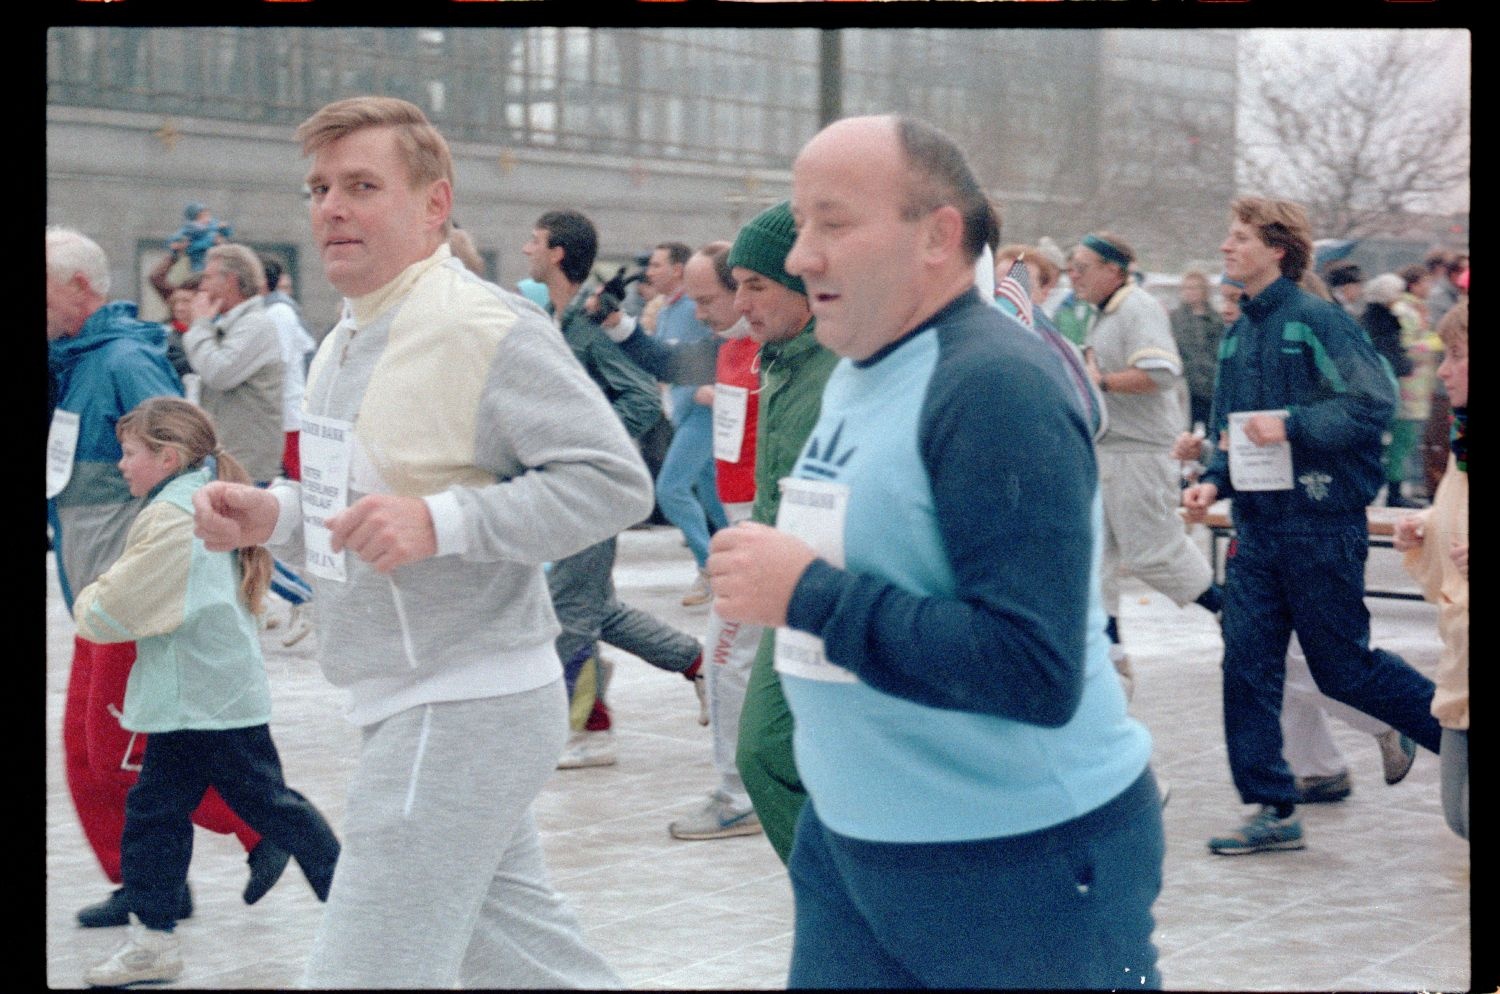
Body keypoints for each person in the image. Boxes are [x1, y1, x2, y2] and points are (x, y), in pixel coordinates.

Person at [191, 95, 636, 988]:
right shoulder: (345, 338)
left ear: (435, 203)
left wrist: (445, 522)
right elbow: (366, 502)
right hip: (416, 699)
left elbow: (611, 482)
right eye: (320, 187)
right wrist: (274, 516)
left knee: (366, 970)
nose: (332, 208)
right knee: (524, 963)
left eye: (362, 185)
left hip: (460, 701)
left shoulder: (483, 326)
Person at [710, 114, 1164, 988]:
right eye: (801, 225)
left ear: (937, 236)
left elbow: (1031, 667)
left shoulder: (994, 386)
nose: (802, 255)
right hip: (853, 845)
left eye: (833, 223)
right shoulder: (858, 371)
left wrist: (806, 595)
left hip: (1015, 866)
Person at [1183, 196, 1442, 855]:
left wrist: (1295, 426)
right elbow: (1235, 435)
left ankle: (1456, 734)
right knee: (1246, 664)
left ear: (1277, 249)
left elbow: (1372, 401)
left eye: (1238, 237)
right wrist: (1213, 477)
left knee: (1344, 671)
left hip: (1321, 527)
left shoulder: (1317, 321)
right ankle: (1273, 806)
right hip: (1258, 529)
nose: (1225, 247)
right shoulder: (1241, 331)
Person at [46, 226, 285, 931]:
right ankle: (147, 882)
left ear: (82, 288)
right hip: (97, 593)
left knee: (121, 754)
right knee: (92, 756)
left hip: (134, 595)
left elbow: (188, 457)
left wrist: (157, 564)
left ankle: (263, 828)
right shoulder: (73, 360)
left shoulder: (121, 360)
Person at [76, 398, 341, 988]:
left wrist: (87, 603)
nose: (120, 464)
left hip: (203, 696)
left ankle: (359, 909)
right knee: (161, 810)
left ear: (167, 457)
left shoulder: (175, 516)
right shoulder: (187, 499)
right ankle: (153, 939)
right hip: (197, 693)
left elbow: (121, 601)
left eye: (130, 453)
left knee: (267, 806)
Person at [521, 208, 703, 770]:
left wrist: (589, 447)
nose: (526, 247)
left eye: (535, 240)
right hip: (565, 485)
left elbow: (643, 400)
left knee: (570, 613)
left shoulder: (585, 324)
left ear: (557, 253)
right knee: (597, 608)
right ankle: (699, 665)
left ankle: (589, 731)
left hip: (587, 488)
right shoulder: (557, 318)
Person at [1070, 231, 1221, 696]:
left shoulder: (1136, 307)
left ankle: (1235, 613)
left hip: (1139, 454)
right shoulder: (1104, 313)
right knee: (1096, 562)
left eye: (1082, 267)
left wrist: (1104, 382)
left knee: (1153, 554)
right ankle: (1114, 661)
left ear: (1113, 270)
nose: (1074, 276)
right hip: (1109, 452)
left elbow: (1160, 373)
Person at [1393, 298, 1468, 840]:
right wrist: (1427, 528)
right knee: (1459, 814)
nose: (1441, 371)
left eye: (1456, 356)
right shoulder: (1462, 443)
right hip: (1462, 666)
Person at [646, 241, 729, 605]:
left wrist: (707, 385)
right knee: (714, 495)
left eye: (657, 265)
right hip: (681, 413)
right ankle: (738, 562)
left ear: (678, 269)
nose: (649, 272)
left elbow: (721, 344)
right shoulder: (666, 311)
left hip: (702, 415)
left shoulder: (692, 311)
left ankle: (709, 566)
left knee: (671, 489)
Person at [183, 244, 284, 487]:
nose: (202, 286)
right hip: (230, 459)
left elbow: (218, 372)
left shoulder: (256, 325)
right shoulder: (234, 324)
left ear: (230, 280)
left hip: (247, 466)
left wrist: (200, 325)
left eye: (207, 277)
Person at [1170, 269, 1226, 430]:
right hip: (1185, 386)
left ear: (1204, 291)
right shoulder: (1175, 319)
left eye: (1195, 288)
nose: (1190, 292)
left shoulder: (1217, 319)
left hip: (1211, 386)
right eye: (1186, 288)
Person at [166, 202, 233, 273]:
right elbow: (185, 246)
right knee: (200, 274)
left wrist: (225, 228)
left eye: (207, 214)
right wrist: (211, 241)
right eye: (202, 215)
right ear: (195, 218)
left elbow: (227, 233)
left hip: (217, 258)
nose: (207, 217)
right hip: (199, 261)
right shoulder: (190, 229)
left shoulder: (213, 224)